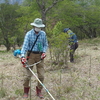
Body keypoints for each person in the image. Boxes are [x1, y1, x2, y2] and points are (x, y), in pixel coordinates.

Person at [20, 18, 48, 99]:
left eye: (39, 27)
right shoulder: (29, 34)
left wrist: (44, 52)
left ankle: (39, 91)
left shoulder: (43, 34)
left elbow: (45, 45)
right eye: (37, 26)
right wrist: (22, 56)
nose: (38, 28)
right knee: (28, 76)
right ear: (34, 26)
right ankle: (25, 91)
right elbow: (24, 46)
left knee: (41, 76)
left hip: (40, 56)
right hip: (30, 56)